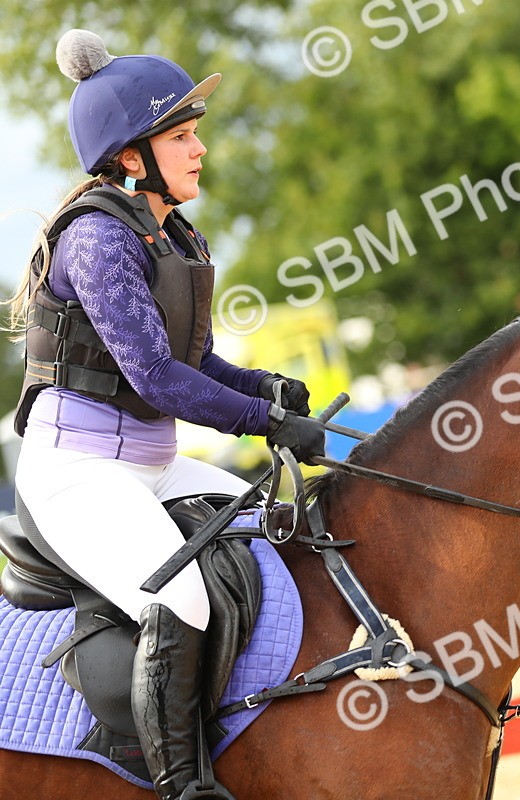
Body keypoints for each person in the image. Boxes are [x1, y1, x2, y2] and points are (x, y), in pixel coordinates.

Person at [2, 30, 326, 800]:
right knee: (176, 595)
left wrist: (267, 388)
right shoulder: (97, 241)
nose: (199, 149)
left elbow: (194, 360)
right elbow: (153, 377)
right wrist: (262, 421)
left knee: (277, 532)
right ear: (132, 155)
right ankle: (184, 785)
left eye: (194, 133)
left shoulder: (174, 233)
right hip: (78, 476)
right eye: (182, 135)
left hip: (150, 465)